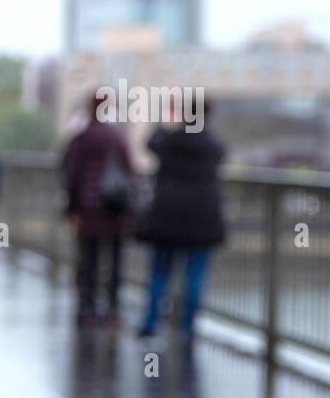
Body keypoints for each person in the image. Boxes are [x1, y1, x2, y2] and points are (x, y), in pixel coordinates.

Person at [133, 95, 226, 338]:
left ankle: (151, 323)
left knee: (159, 272)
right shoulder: (213, 146)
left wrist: (165, 118)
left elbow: (150, 142)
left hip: (167, 215)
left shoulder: (168, 141)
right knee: (195, 274)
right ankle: (187, 328)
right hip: (202, 218)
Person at [61, 93, 135, 328]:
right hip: (115, 209)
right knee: (114, 261)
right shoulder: (117, 137)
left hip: (88, 209)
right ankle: (112, 310)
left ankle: (87, 308)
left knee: (88, 260)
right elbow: (130, 172)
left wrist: (73, 208)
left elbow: (71, 175)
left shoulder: (81, 139)